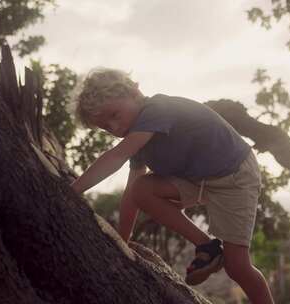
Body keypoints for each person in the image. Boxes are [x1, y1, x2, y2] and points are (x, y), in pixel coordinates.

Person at [70, 67, 274, 303]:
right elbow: (132, 195)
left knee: (237, 266)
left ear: (134, 93)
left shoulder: (157, 109)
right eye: (105, 127)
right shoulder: (138, 140)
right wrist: (121, 244)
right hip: (198, 180)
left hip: (234, 177)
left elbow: (116, 156)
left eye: (114, 115)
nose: (114, 128)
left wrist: (72, 190)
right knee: (142, 189)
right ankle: (207, 246)